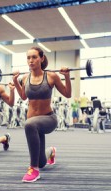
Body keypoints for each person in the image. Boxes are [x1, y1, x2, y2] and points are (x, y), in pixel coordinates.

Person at [12, 47, 71, 183]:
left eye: (34, 57)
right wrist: (15, 81)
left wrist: (67, 76)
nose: (31, 60)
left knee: (29, 124)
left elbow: (67, 94)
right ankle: (50, 152)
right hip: (34, 123)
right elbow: (23, 96)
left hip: (48, 119)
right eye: (28, 58)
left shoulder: (51, 76)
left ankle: (33, 169)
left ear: (41, 58)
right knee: (42, 162)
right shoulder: (25, 78)